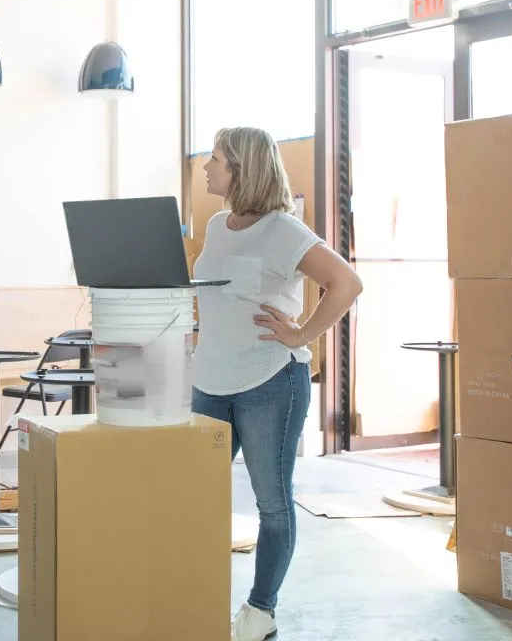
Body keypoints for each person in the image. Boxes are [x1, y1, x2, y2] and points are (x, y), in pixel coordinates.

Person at [191, 126, 363, 641]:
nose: (206, 167)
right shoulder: (219, 226)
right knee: (194, 496)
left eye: (215, 159)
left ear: (241, 169)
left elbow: (346, 283)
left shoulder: (283, 230)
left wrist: (303, 333)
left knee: (271, 501)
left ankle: (260, 612)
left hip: (270, 380)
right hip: (211, 379)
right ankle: (193, 596)